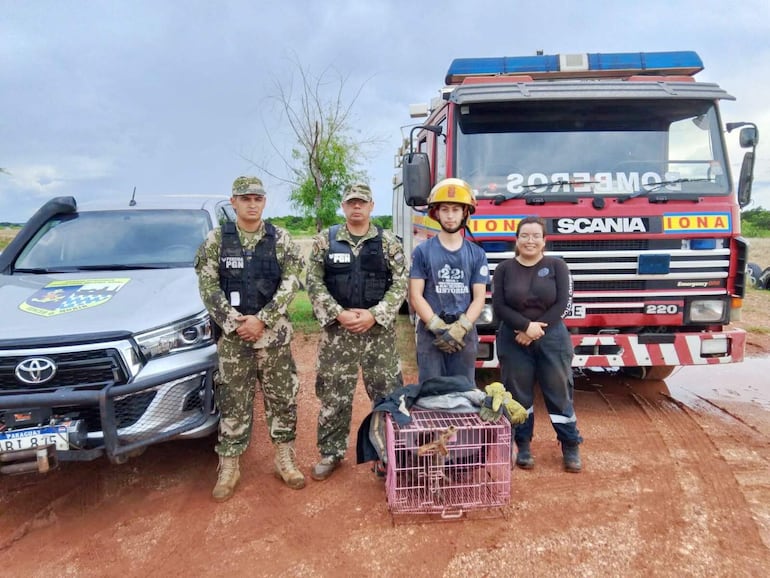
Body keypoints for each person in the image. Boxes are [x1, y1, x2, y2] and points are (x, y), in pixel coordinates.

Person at [195, 176, 306, 501]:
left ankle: (284, 458)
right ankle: (229, 465)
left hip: (273, 338)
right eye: (245, 198)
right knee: (233, 401)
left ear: (264, 201)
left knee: (282, 399)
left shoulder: (280, 238)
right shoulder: (217, 240)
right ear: (233, 202)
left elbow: (291, 281)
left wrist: (264, 319)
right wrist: (233, 323)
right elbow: (208, 286)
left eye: (257, 197)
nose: (252, 203)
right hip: (234, 339)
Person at [306, 182, 408, 481]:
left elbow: (400, 283)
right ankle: (331, 452)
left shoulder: (389, 243)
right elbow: (313, 281)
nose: (357, 207)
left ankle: (389, 452)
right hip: (339, 335)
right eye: (351, 202)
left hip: (378, 336)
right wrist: (338, 313)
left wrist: (375, 315)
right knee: (334, 396)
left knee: (387, 396)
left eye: (362, 202)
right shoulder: (325, 241)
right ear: (343, 205)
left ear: (372, 206)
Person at [491, 216, 583, 473]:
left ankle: (570, 445)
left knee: (559, 391)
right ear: (517, 240)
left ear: (544, 241)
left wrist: (534, 330)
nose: (530, 241)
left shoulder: (557, 266)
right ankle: (523, 445)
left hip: (552, 337)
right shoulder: (504, 269)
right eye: (524, 236)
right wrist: (523, 326)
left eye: (535, 236)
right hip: (513, 337)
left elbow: (563, 303)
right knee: (518, 395)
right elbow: (499, 306)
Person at [409, 178, 489, 385]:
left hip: (465, 334)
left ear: (465, 213)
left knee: (463, 392)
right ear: (436, 213)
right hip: (430, 334)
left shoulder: (477, 254)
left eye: (456, 209)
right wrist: (438, 327)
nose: (450, 215)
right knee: (430, 393)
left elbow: (479, 297)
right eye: (445, 209)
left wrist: (460, 328)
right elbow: (416, 295)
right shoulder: (422, 252)